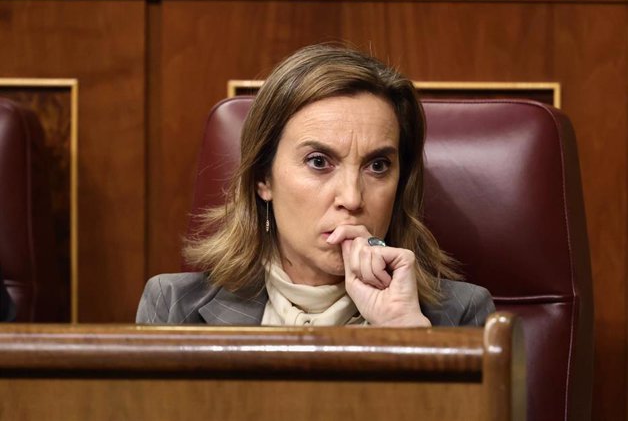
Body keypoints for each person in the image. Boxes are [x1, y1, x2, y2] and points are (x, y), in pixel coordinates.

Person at [136, 44, 494, 326]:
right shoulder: (174, 306)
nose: (352, 199)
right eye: (319, 162)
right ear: (263, 178)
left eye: (378, 165)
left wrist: (405, 337)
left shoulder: (462, 315)